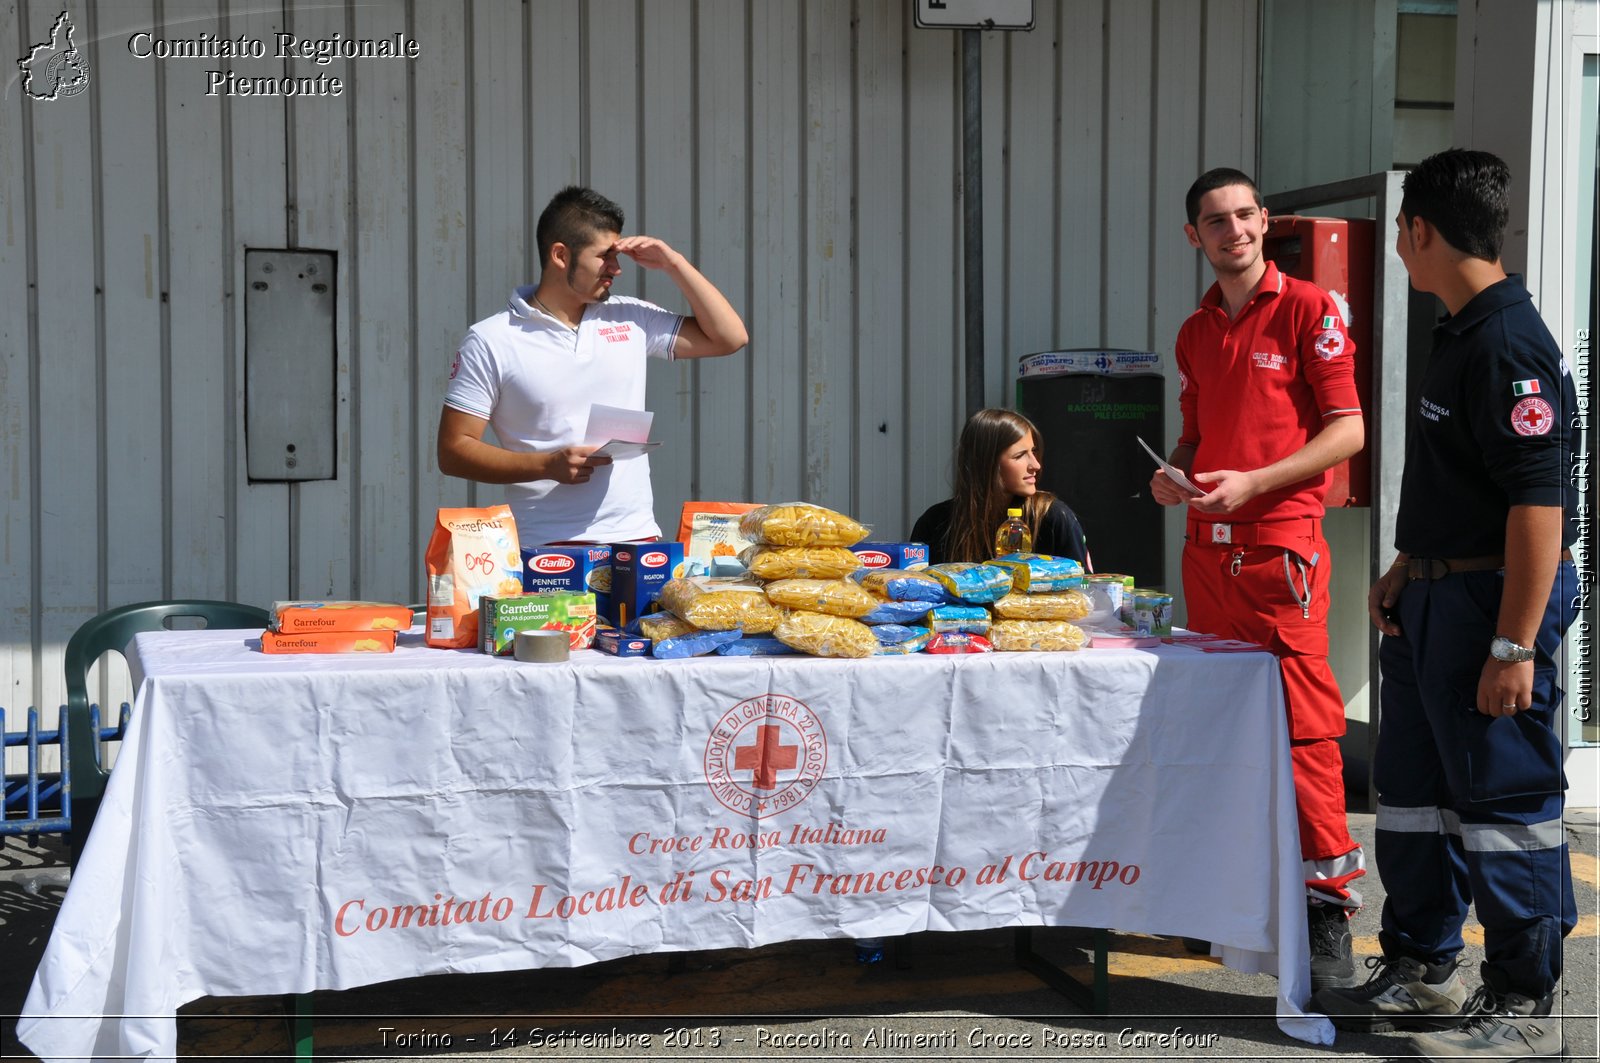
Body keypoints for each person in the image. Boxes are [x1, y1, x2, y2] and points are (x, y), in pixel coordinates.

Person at [1310, 149, 1579, 1061]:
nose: (1398, 250)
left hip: (1490, 602)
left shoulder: (1509, 343)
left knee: (1505, 806)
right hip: (1434, 589)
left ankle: (1523, 999)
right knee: (1418, 794)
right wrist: (1403, 564)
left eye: (1401, 235)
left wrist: (1515, 643)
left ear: (1421, 231)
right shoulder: (1459, 329)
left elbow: (1538, 507)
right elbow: (1455, 479)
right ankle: (1426, 963)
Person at [1149, 168, 1366, 989]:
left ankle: (1327, 911)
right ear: (1193, 236)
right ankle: (1230, 895)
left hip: (1280, 551)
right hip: (1208, 552)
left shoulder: (1312, 309)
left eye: (1244, 215)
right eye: (1215, 220)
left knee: (1306, 731)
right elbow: (1196, 437)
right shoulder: (1196, 329)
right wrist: (1173, 476)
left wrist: (1257, 481)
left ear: (1266, 221)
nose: (1232, 230)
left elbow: (1347, 432)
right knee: (1217, 723)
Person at [437, 186, 748, 547]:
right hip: (543, 547)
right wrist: (546, 465)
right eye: (605, 256)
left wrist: (673, 263)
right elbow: (453, 451)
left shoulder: (631, 317)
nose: (615, 269)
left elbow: (730, 337)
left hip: (637, 539)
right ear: (560, 255)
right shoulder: (491, 339)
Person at [912, 408, 1088, 566]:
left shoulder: (1053, 517)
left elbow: (1084, 593)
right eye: (1020, 455)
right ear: (986, 463)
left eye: (1033, 452)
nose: (1036, 465)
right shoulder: (935, 523)